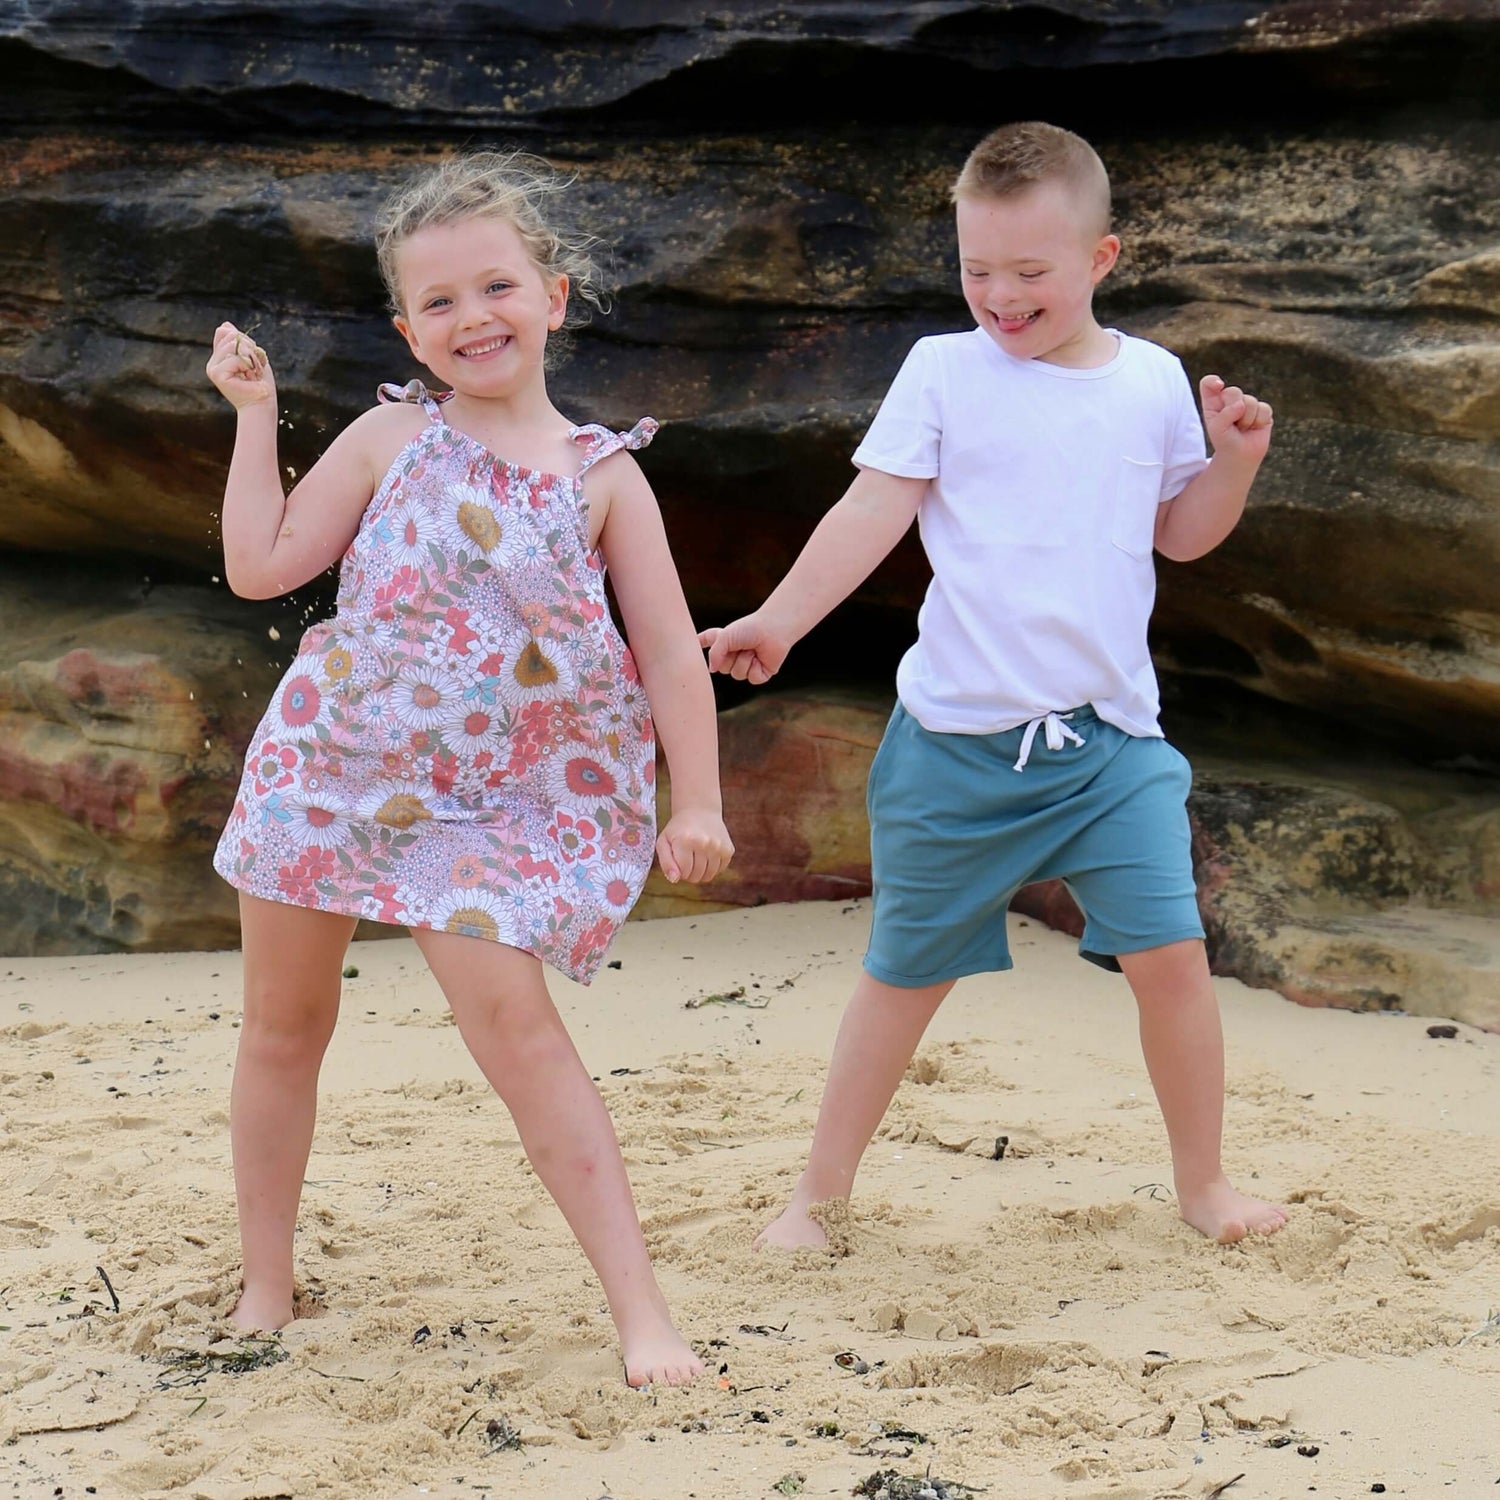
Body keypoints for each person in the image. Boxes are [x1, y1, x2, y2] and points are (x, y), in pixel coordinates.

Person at [701, 121, 1286, 1250]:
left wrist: (1236, 462)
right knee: (904, 977)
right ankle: (817, 1197)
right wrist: (780, 619)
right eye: (978, 271)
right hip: (955, 747)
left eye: (1031, 274)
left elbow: (1181, 536)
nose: (1001, 298)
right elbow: (870, 510)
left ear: (1102, 259)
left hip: (1110, 745)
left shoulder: (1152, 381)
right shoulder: (944, 371)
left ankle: (1206, 1186)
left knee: (1172, 961)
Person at [206, 151, 732, 1386]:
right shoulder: (394, 434)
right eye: (437, 303)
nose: (470, 318)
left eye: (495, 287)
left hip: (488, 806)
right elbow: (261, 568)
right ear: (406, 328)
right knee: (284, 1027)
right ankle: (265, 1289)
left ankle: (643, 1316)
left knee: (522, 1035)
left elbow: (666, 649)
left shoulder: (605, 477)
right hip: (327, 769)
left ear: (553, 295)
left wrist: (696, 799)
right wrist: (254, 417)